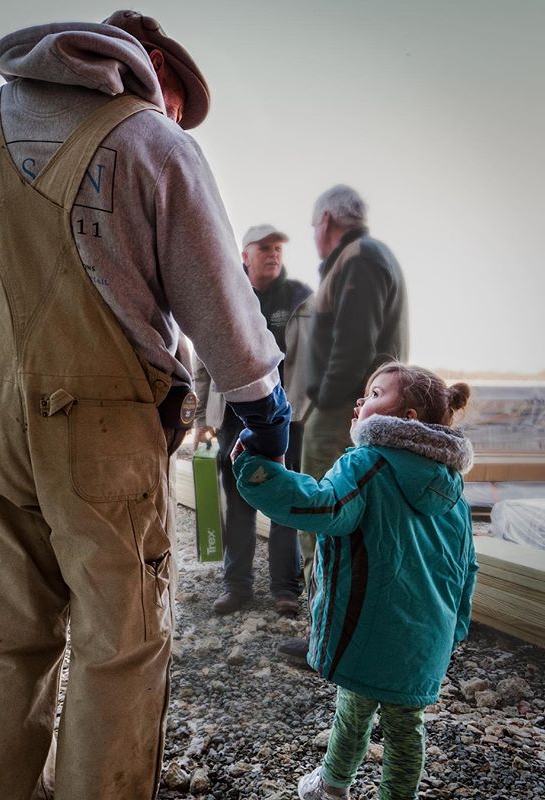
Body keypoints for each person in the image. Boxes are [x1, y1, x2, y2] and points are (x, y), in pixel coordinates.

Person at [0, 11, 291, 800]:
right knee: (120, 646)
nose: (171, 116)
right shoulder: (153, 143)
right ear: (147, 64)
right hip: (108, 437)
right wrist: (263, 406)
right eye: (174, 99)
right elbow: (218, 302)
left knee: (5, 640)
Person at [232, 362, 478, 800]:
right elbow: (465, 566)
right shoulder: (453, 490)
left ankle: (332, 785)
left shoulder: (366, 463)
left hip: (369, 628)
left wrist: (258, 472)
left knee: (353, 707)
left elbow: (323, 507)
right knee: (407, 731)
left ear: (408, 418)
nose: (362, 401)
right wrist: (456, 625)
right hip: (426, 639)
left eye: (376, 393)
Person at [279, 184, 409, 666]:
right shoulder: (367, 258)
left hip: (341, 415)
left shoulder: (359, 258)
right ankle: (343, 631)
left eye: (314, 227)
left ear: (328, 221)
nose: (314, 236)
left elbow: (354, 346)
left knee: (323, 519)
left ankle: (325, 636)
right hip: (356, 410)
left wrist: (327, 402)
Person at [194, 225, 312, 616]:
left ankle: (285, 589)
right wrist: (200, 419)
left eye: (278, 247)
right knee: (239, 503)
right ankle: (237, 586)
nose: (273, 254)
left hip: (287, 421)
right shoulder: (227, 296)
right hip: (232, 418)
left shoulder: (299, 299)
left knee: (285, 502)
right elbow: (205, 360)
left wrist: (309, 410)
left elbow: (315, 360)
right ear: (246, 255)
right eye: (265, 248)